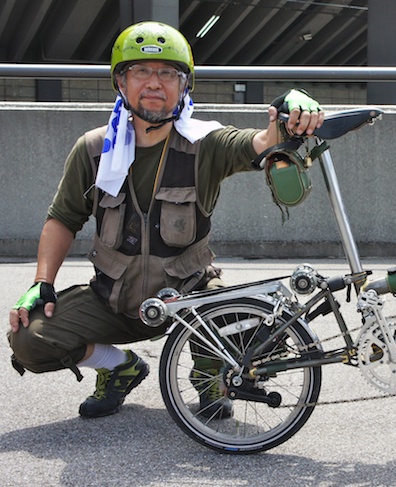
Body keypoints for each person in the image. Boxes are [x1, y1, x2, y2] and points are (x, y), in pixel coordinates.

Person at [7, 21, 323, 419]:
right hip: (114, 300)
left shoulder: (205, 143)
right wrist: (42, 283)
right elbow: (63, 218)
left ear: (184, 85)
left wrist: (286, 115)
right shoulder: (92, 149)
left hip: (190, 298)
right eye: (140, 71)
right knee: (29, 338)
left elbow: (257, 144)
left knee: (271, 330)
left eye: (167, 73)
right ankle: (117, 367)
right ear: (121, 83)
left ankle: (212, 374)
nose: (154, 83)